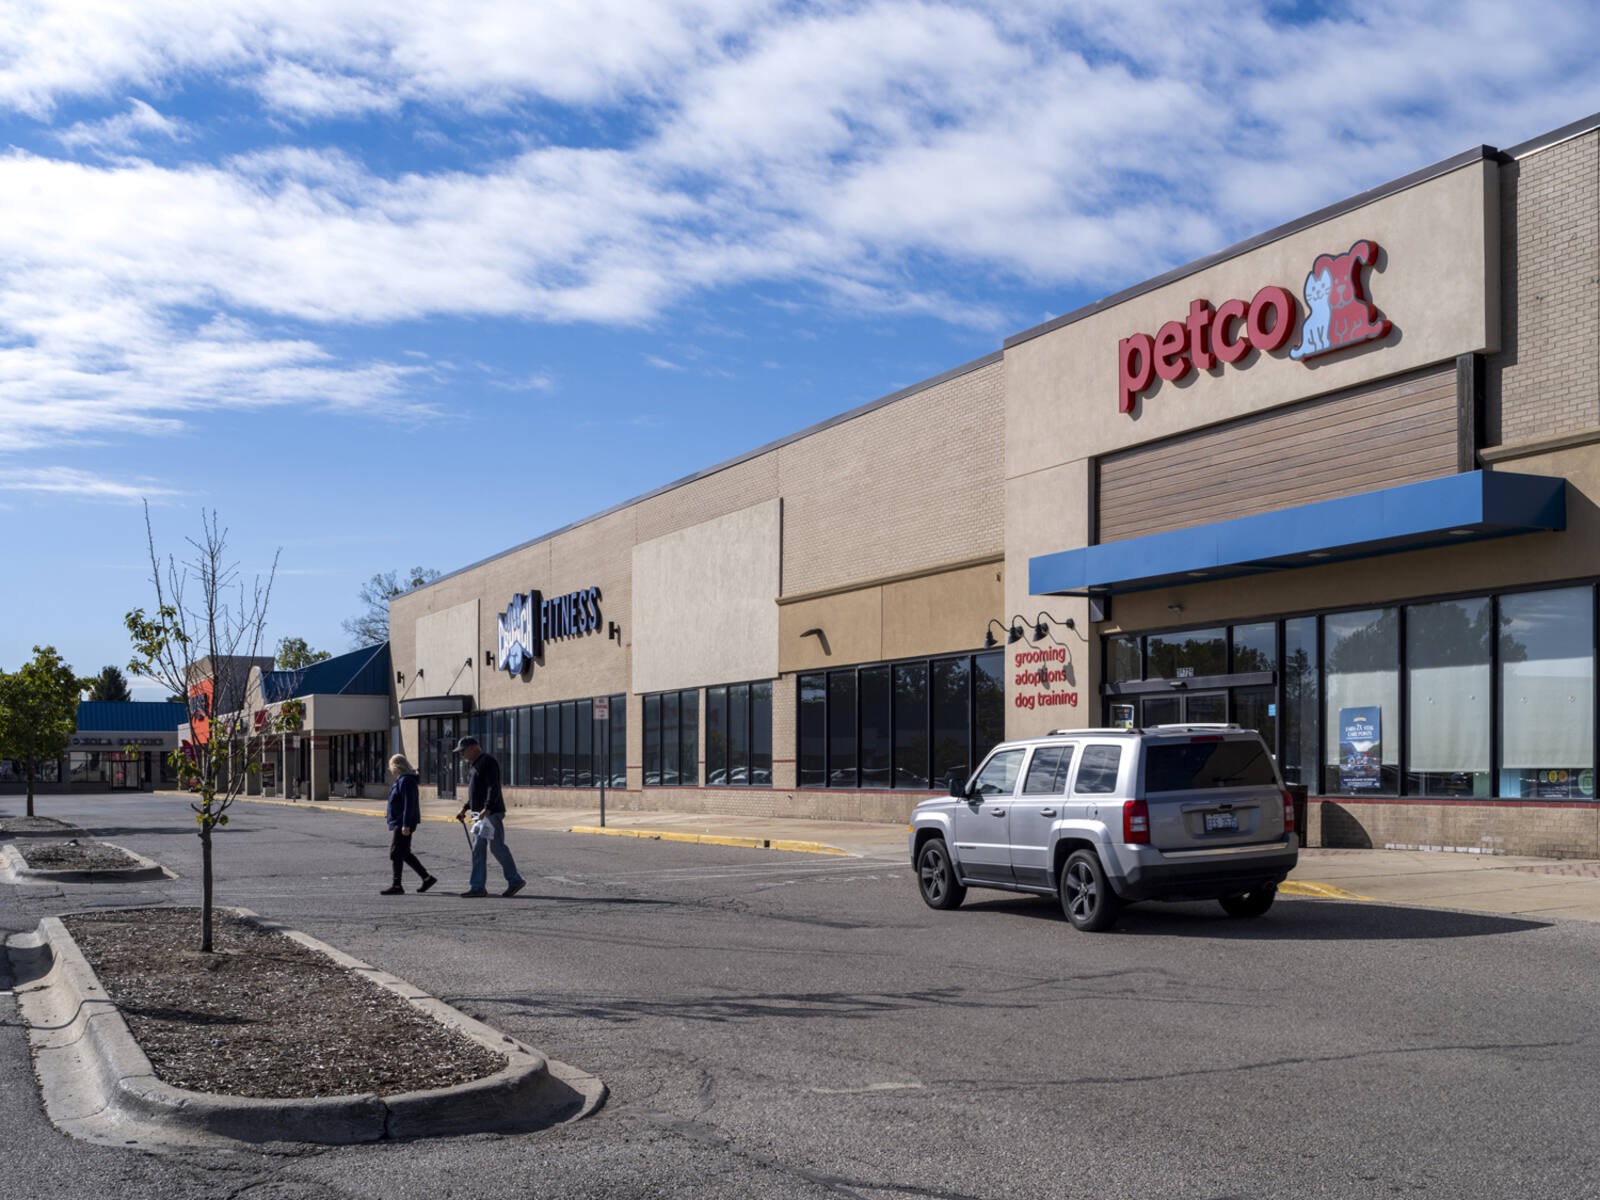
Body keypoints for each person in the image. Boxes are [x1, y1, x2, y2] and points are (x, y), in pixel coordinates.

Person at [454, 735, 525, 898]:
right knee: (481, 848)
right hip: (480, 814)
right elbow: (476, 792)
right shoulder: (475, 765)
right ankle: (481, 886)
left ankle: (511, 881)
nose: (462, 754)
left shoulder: (487, 761)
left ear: (473, 747)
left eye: (463, 751)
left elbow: (493, 787)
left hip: (489, 813)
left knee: (492, 847)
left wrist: (487, 808)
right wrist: (465, 808)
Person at [381, 754, 437, 896]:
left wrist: (405, 824)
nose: (390, 770)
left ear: (396, 767)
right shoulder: (402, 780)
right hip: (400, 820)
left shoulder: (406, 781)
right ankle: (427, 878)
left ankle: (397, 885)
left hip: (404, 823)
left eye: (391, 767)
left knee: (396, 853)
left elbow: (409, 804)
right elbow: (398, 801)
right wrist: (390, 812)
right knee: (404, 853)